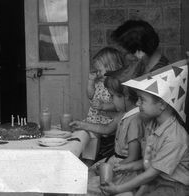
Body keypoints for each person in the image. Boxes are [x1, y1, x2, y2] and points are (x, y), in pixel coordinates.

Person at [100, 60, 189, 196]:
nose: (137, 103)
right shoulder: (152, 125)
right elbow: (151, 161)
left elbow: (151, 173)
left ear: (161, 105)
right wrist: (128, 166)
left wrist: (119, 189)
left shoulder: (175, 137)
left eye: (142, 99)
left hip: (173, 187)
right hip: (154, 181)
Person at [70, 70, 144, 195]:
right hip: (116, 162)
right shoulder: (124, 113)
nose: (110, 100)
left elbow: (133, 157)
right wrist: (82, 125)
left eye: (112, 96)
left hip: (125, 170)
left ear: (125, 97)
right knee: (84, 176)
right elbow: (107, 129)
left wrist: (110, 168)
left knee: (83, 186)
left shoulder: (134, 121)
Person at [82, 47, 124, 165]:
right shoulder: (99, 82)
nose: (98, 73)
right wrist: (90, 81)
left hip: (108, 120)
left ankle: (92, 160)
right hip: (95, 118)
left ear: (112, 67)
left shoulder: (115, 84)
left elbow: (119, 106)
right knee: (90, 136)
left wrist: (104, 106)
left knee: (98, 141)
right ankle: (89, 159)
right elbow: (90, 95)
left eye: (100, 70)